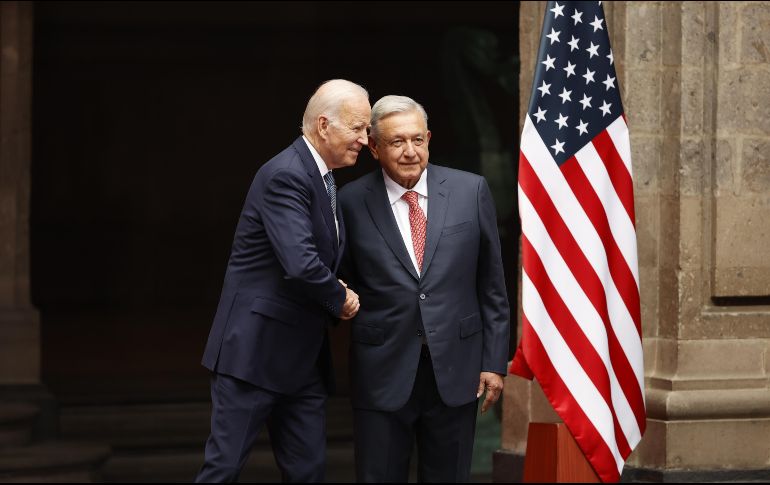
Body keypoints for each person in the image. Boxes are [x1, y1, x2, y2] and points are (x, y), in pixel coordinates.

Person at [196, 79, 370, 483]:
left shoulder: (321, 177)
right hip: (254, 353)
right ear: (324, 126)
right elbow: (301, 263)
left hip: (302, 359)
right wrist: (339, 297)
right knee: (222, 469)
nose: (365, 138)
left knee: (308, 472)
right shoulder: (287, 175)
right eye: (358, 128)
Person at [338, 95, 510, 482]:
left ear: (429, 138)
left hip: (456, 367)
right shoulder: (349, 202)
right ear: (374, 148)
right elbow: (337, 278)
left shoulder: (471, 190)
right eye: (397, 142)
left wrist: (494, 362)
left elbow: (492, 286)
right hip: (381, 370)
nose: (410, 151)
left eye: (417, 140)